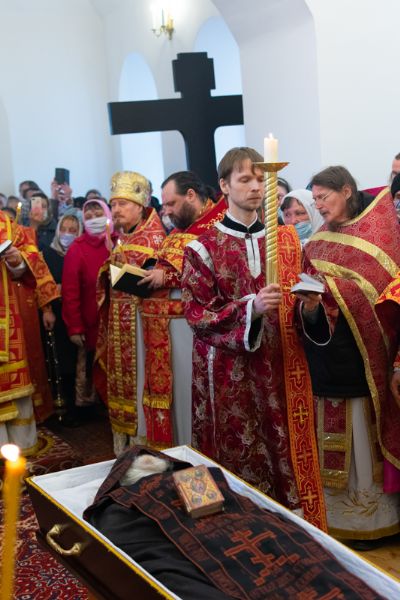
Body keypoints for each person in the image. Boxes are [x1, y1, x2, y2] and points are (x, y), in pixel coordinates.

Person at [182, 147, 325, 525]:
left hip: (282, 368)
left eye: (261, 178)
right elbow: (197, 315)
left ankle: (290, 528)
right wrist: (251, 308)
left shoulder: (289, 242)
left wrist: (312, 307)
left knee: (283, 450)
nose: (256, 187)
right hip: (229, 377)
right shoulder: (202, 248)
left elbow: (306, 300)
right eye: (245, 179)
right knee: (236, 452)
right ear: (224, 186)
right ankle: (235, 529)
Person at [296, 165, 400, 548]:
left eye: (324, 197)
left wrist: (335, 291)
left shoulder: (380, 232)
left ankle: (376, 520)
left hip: (370, 360)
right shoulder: (318, 241)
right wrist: (310, 306)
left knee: (364, 434)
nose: (319, 206)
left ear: (346, 190)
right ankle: (338, 519)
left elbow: (387, 296)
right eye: (315, 200)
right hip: (328, 357)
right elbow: (307, 295)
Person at [137, 171, 226, 447]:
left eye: (171, 204)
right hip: (167, 332)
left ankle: (197, 451)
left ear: (191, 195)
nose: (166, 211)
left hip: (196, 333)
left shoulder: (219, 223)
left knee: (193, 396)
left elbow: (217, 271)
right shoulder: (182, 227)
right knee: (177, 396)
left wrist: (167, 276)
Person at [95, 171, 166, 455]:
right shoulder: (122, 238)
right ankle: (123, 448)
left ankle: (142, 446)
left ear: (140, 206)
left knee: (140, 383)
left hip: (141, 326)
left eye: (122, 204)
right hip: (119, 323)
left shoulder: (155, 240)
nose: (116, 209)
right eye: (113, 204)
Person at [0, 211, 58, 452]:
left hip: (6, 323)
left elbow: (31, 259)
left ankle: (20, 447)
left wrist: (17, 260)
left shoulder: (7, 224)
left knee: (14, 386)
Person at [62, 199, 114, 413]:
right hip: (92, 321)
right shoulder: (78, 247)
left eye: (98, 214)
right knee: (93, 368)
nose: (94, 220)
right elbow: (70, 291)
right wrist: (74, 327)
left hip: (119, 319)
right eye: (89, 216)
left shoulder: (119, 242)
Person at [42, 214, 83, 425]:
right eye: (64, 229)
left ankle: (76, 407)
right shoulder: (48, 254)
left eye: (73, 230)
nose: (67, 234)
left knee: (75, 361)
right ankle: (58, 405)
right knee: (57, 360)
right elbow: (42, 283)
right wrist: (47, 307)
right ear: (58, 230)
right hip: (55, 314)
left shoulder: (80, 252)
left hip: (75, 313)